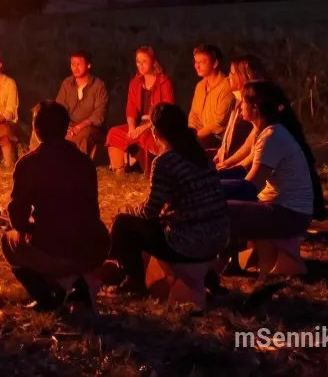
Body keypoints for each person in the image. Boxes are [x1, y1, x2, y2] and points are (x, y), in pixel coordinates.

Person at [106, 104, 229, 294]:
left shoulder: (165, 161)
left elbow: (150, 212)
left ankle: (133, 281)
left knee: (123, 223)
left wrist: (128, 210)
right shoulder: (200, 155)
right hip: (218, 237)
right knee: (156, 221)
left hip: (187, 243)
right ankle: (207, 277)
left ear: (156, 132)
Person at [1, 101, 110, 311]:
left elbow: (17, 216)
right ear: (66, 128)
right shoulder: (84, 162)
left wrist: (29, 228)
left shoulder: (29, 164)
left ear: (36, 130)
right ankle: (77, 284)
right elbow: (90, 209)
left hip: (57, 250)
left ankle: (47, 296)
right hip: (95, 246)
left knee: (9, 240)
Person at [226, 82, 323, 250]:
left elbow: (250, 188)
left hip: (290, 214)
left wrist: (212, 189)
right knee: (219, 206)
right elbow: (244, 172)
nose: (239, 105)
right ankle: (235, 258)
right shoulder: (267, 132)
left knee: (219, 211)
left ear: (255, 108)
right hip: (282, 207)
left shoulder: (272, 136)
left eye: (243, 101)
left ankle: (216, 260)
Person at [105, 47, 175, 174]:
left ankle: (150, 170)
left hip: (157, 124)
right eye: (138, 62)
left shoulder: (164, 82)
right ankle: (119, 170)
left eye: (144, 61)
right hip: (139, 124)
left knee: (145, 136)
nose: (140, 65)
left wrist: (144, 127)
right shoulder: (135, 82)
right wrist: (132, 127)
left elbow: (167, 110)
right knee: (114, 133)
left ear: (153, 61)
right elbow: (131, 108)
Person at [215, 56, 265, 200]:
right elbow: (248, 145)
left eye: (232, 73)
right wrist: (225, 163)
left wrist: (227, 169)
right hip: (242, 170)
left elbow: (250, 182)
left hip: (274, 202)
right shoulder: (241, 106)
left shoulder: (269, 131)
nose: (228, 77)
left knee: (212, 188)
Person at [49, 51, 108, 157]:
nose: (75, 68)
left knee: (84, 136)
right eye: (73, 64)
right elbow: (59, 108)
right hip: (69, 127)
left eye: (79, 64)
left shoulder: (98, 86)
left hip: (89, 127)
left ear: (88, 65)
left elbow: (99, 115)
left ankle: (79, 163)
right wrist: (64, 126)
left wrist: (79, 127)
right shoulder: (67, 83)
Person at [187, 44, 233, 151]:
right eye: (196, 62)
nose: (197, 66)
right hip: (200, 135)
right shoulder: (200, 86)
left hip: (218, 138)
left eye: (202, 62)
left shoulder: (226, 85)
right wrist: (191, 132)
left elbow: (219, 122)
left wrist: (196, 135)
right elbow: (194, 114)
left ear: (215, 63)